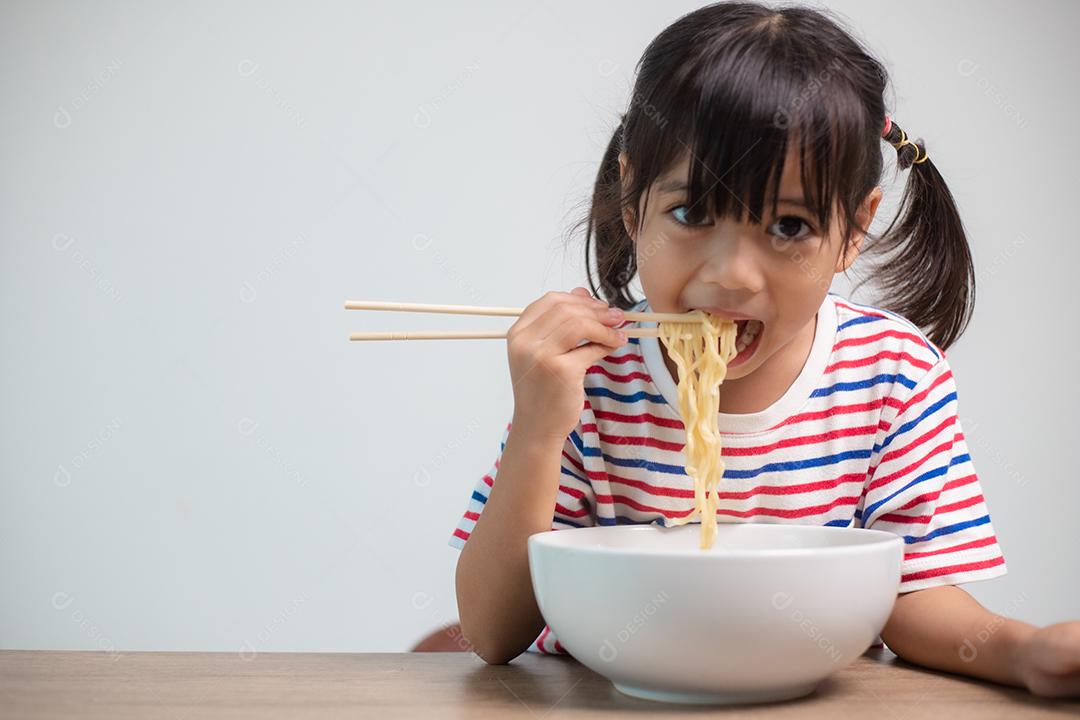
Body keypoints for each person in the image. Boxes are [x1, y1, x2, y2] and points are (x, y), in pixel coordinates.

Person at [449, 1, 1079, 697]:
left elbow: (912, 594)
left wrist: (1026, 651)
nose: (732, 275)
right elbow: (492, 633)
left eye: (788, 224)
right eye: (691, 214)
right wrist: (539, 426)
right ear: (633, 205)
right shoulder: (588, 378)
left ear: (853, 230)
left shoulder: (894, 377)